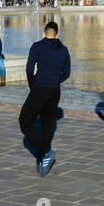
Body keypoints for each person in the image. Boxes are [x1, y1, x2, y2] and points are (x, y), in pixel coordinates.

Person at [21, 21, 72, 176]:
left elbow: (29, 69)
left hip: (40, 88)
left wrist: (33, 85)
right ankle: (43, 160)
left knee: (25, 121)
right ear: (57, 35)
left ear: (44, 34)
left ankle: (45, 152)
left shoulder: (37, 46)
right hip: (54, 90)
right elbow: (67, 73)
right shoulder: (63, 50)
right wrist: (56, 80)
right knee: (47, 123)